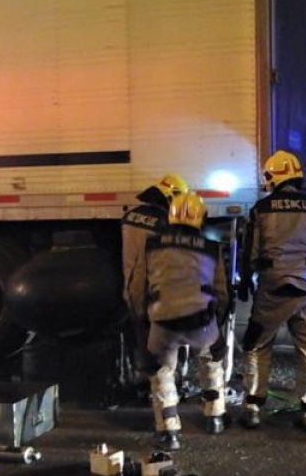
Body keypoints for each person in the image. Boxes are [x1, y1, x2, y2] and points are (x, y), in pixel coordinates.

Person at [238, 150, 306, 432]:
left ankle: (253, 407)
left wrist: (246, 281)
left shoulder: (262, 209)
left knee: (257, 343)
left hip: (272, 287)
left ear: (275, 176)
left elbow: (251, 251)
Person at [143, 191, 230, 450]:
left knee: (161, 372)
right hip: (201, 322)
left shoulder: (152, 245)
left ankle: (169, 431)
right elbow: (222, 291)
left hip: (162, 322)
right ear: (200, 219)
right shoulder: (211, 248)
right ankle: (214, 416)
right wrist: (219, 324)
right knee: (212, 362)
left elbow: (139, 284)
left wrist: (142, 315)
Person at [120, 174, 188, 391]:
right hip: (156, 290)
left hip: (131, 288)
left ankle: (143, 380)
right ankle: (163, 388)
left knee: (140, 335)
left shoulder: (130, 215)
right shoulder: (165, 221)